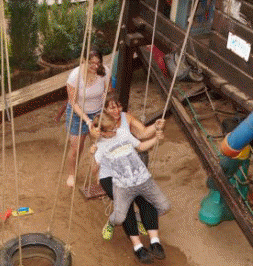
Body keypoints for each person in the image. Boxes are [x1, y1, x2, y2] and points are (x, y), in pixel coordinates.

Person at [92, 111, 170, 264]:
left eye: (115, 127)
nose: (115, 131)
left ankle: (146, 228)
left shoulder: (122, 133)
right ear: (102, 132)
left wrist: (156, 139)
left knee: (163, 206)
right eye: (111, 130)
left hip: (141, 179)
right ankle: (134, 243)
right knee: (123, 214)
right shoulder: (99, 145)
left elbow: (140, 146)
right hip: (121, 184)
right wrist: (91, 154)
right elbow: (94, 170)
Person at [65, 48, 111, 187]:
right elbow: (72, 102)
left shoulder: (105, 72)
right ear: (83, 61)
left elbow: (108, 93)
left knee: (99, 146)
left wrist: (104, 110)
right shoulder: (75, 76)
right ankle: (72, 174)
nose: (95, 66)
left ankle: (99, 176)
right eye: (91, 63)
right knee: (76, 147)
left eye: (98, 63)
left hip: (97, 112)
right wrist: (86, 120)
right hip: (78, 114)